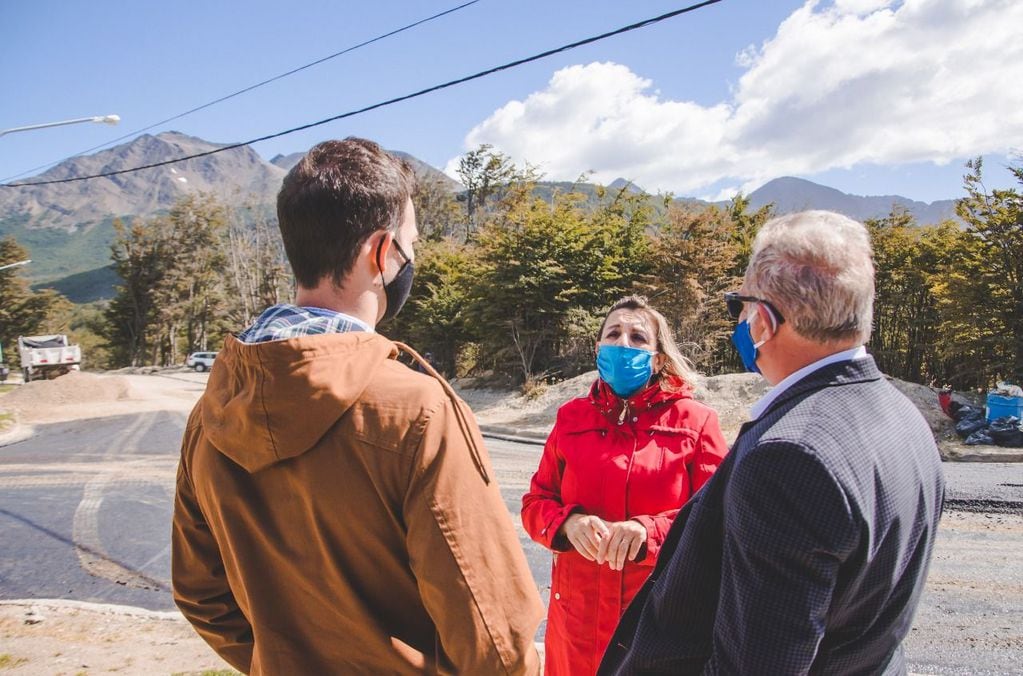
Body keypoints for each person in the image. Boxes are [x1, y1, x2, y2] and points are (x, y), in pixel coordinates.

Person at [172, 137, 544, 675]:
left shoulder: (212, 411)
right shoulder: (418, 409)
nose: (412, 259)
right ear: (381, 253)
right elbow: (492, 636)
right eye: (410, 245)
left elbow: (199, 592)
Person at [599, 211, 945, 675]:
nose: (739, 321)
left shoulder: (789, 455)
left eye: (739, 306)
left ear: (762, 322)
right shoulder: (903, 415)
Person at [522, 295, 729, 676]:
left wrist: (647, 532)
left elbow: (719, 521)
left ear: (659, 358)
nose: (623, 344)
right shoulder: (571, 418)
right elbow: (536, 503)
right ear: (598, 348)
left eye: (637, 338)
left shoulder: (696, 423)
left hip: (655, 624)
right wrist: (567, 524)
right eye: (613, 334)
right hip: (575, 628)